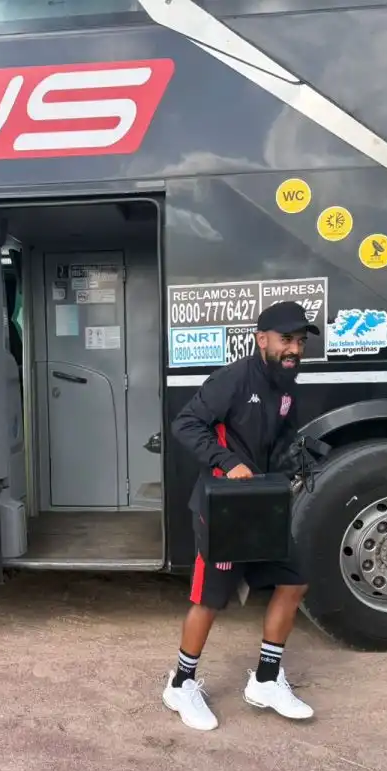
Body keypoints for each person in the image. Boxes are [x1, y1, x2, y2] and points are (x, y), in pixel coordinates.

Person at [162, 300, 318, 731]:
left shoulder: (287, 386)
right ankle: (180, 685)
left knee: (294, 581)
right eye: (286, 340)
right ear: (261, 339)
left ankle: (266, 680)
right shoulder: (232, 379)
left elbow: (284, 437)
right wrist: (228, 462)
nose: (294, 350)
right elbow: (185, 424)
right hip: (224, 508)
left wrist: (293, 465)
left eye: (300, 342)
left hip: (263, 504)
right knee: (210, 599)